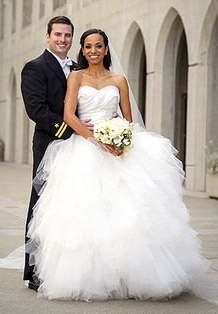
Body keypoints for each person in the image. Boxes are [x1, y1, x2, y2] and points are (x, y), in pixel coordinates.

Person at [25, 28, 209, 301]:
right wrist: (96, 139)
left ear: (106, 49)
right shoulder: (75, 76)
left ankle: (129, 275)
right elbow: (69, 114)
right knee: (84, 212)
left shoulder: (119, 79)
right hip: (85, 147)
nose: (93, 51)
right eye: (88, 46)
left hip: (117, 147)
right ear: (83, 50)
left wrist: (119, 139)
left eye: (98, 46)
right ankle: (89, 276)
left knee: (127, 212)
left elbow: (127, 118)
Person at [21, 16, 93, 291]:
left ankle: (65, 266)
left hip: (79, 149)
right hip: (51, 143)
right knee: (41, 207)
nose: (63, 40)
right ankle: (35, 269)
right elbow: (36, 110)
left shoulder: (78, 68)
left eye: (67, 36)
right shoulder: (34, 67)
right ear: (48, 36)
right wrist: (70, 130)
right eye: (58, 35)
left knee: (70, 207)